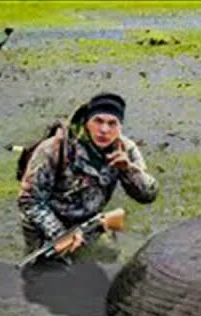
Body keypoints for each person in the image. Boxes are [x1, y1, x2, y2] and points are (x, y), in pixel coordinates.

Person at [17, 92, 158, 258]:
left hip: (88, 224)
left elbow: (148, 195)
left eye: (112, 123)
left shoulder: (125, 148)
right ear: (86, 122)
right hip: (45, 225)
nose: (104, 130)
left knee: (109, 257)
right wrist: (61, 236)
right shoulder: (54, 148)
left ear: (120, 127)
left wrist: (128, 169)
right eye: (98, 121)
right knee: (43, 273)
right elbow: (29, 200)